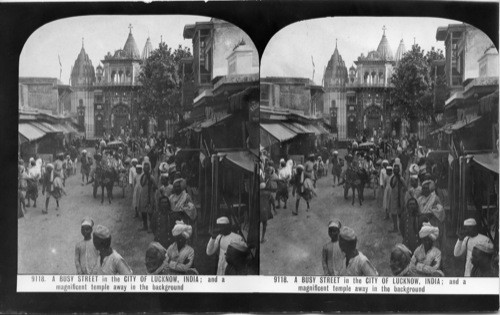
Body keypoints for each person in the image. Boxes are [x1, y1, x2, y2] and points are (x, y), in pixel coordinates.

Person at [137, 160, 157, 232]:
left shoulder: (151, 177)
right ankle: (145, 226)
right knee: (143, 211)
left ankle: (151, 227)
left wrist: (151, 194)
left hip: (149, 196)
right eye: (144, 168)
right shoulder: (143, 176)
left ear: (149, 169)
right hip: (143, 196)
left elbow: (155, 186)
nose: (145, 170)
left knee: (150, 212)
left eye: (147, 168)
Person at [153, 173, 172, 248]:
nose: (162, 181)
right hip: (163, 204)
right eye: (161, 180)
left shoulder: (171, 187)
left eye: (163, 180)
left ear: (167, 180)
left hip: (169, 205)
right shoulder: (161, 188)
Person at [387, 164, 406, 233]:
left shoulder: (401, 178)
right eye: (394, 169)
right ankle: (395, 228)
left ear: (399, 170)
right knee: (393, 214)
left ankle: (401, 229)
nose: (395, 170)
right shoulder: (393, 177)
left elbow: (405, 187)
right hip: (393, 197)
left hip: (399, 198)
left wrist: (401, 193)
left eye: (397, 169)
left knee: (400, 214)